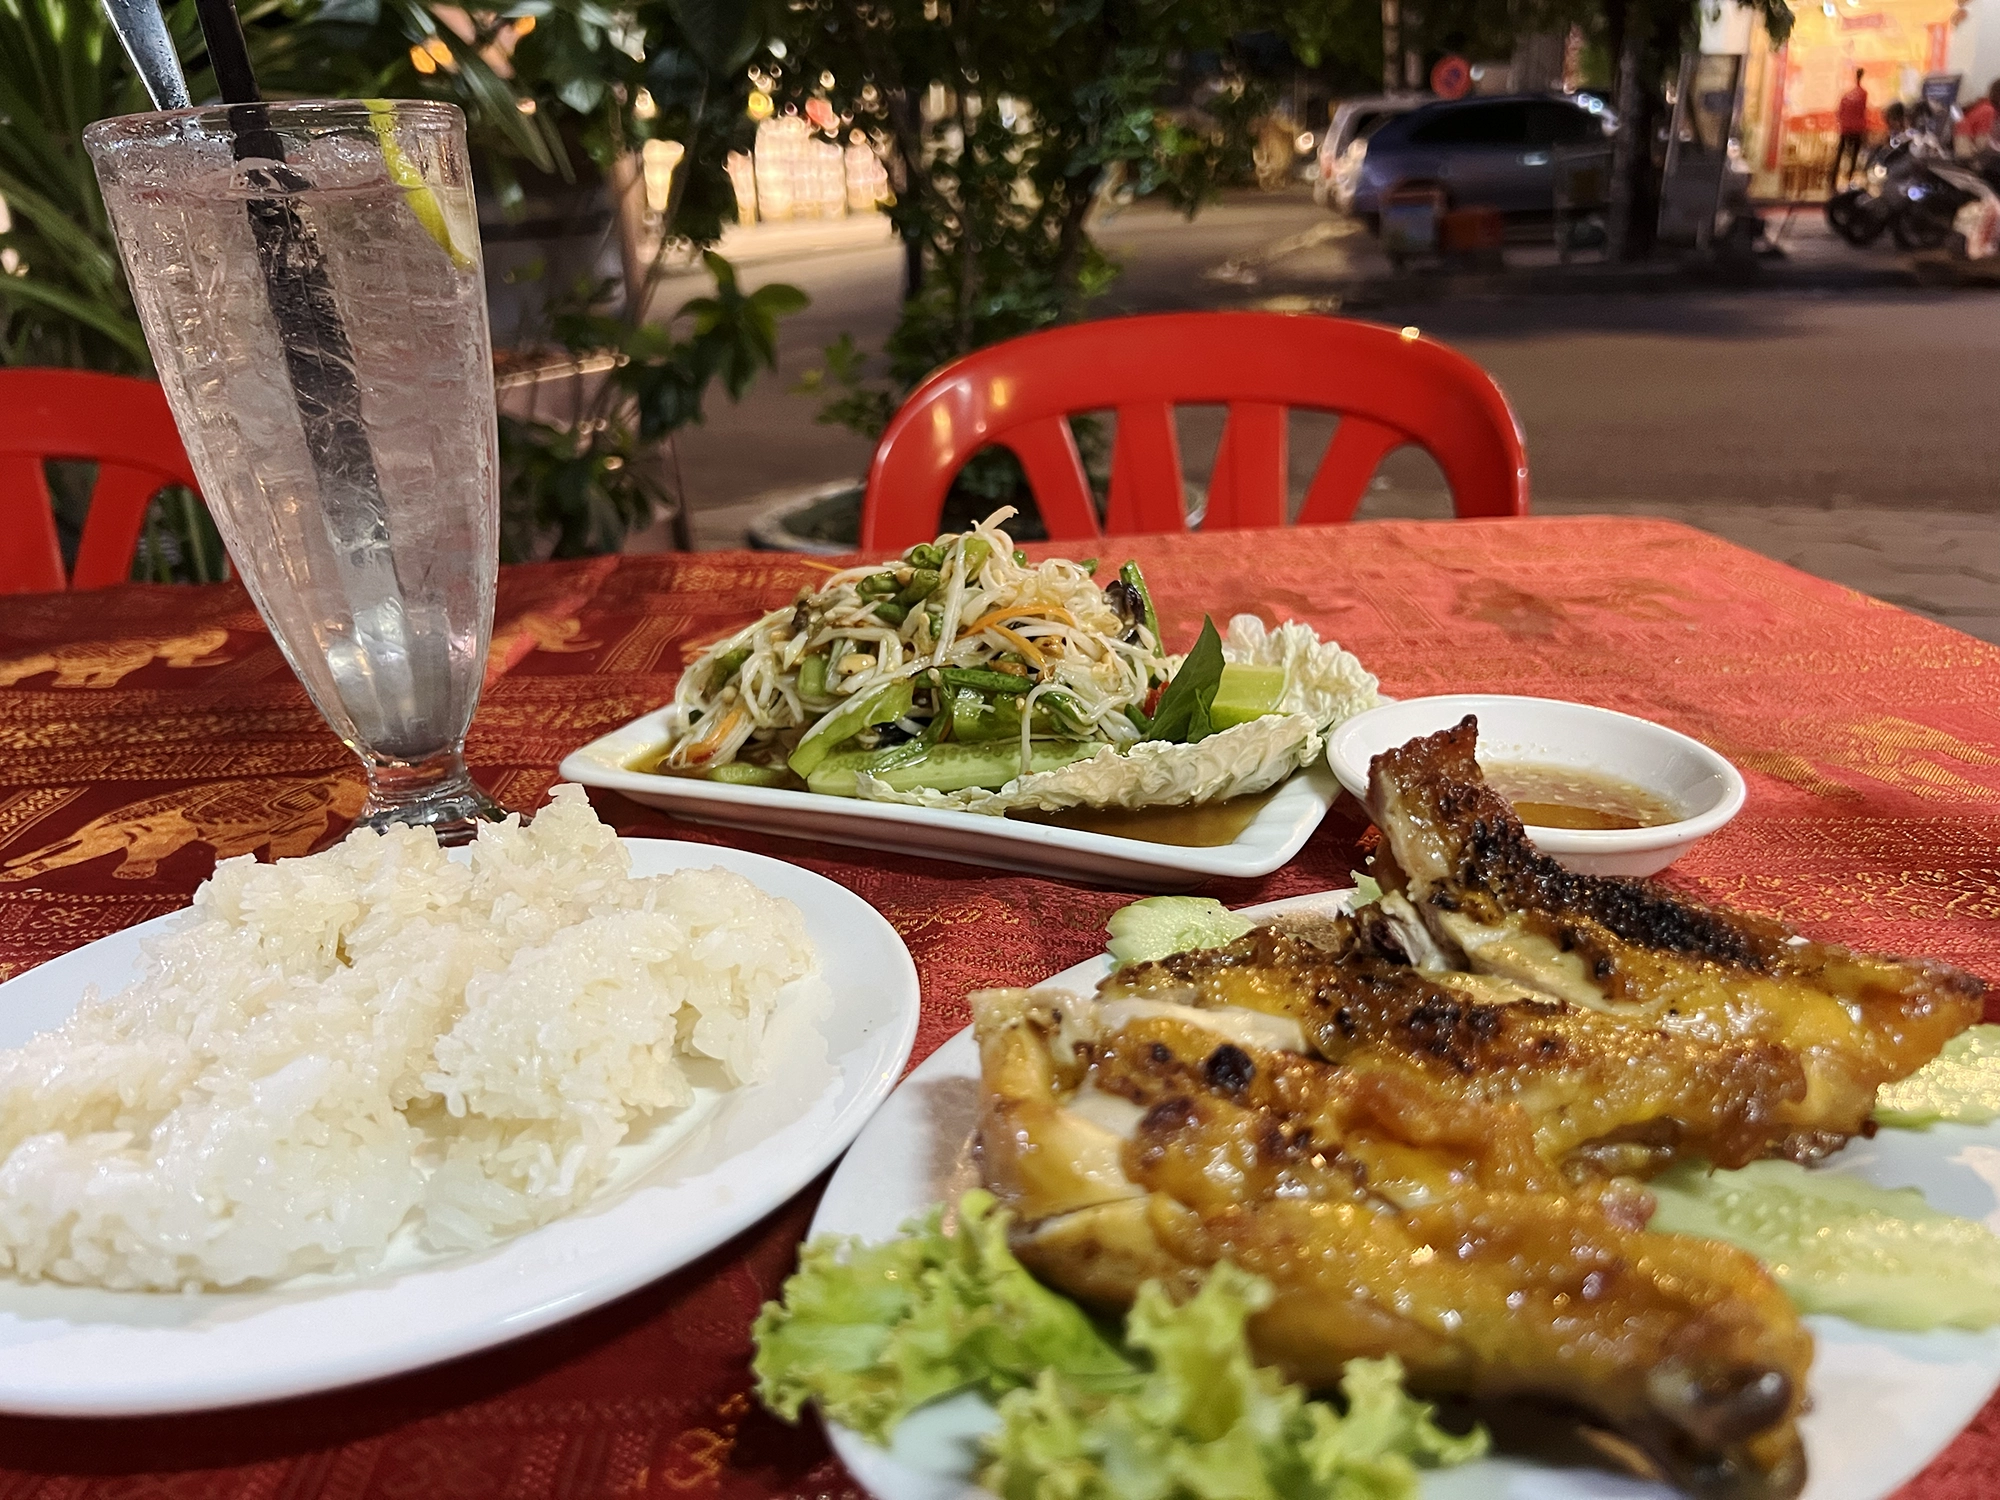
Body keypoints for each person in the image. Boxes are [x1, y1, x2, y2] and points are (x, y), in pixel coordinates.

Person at [1833, 69, 1870, 189]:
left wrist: (1842, 123)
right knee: (1854, 156)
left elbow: (1839, 112)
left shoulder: (1846, 95)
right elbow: (1862, 112)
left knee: (1840, 154)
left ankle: (1832, 180)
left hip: (1845, 129)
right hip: (1857, 128)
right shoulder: (1863, 94)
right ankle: (1849, 180)